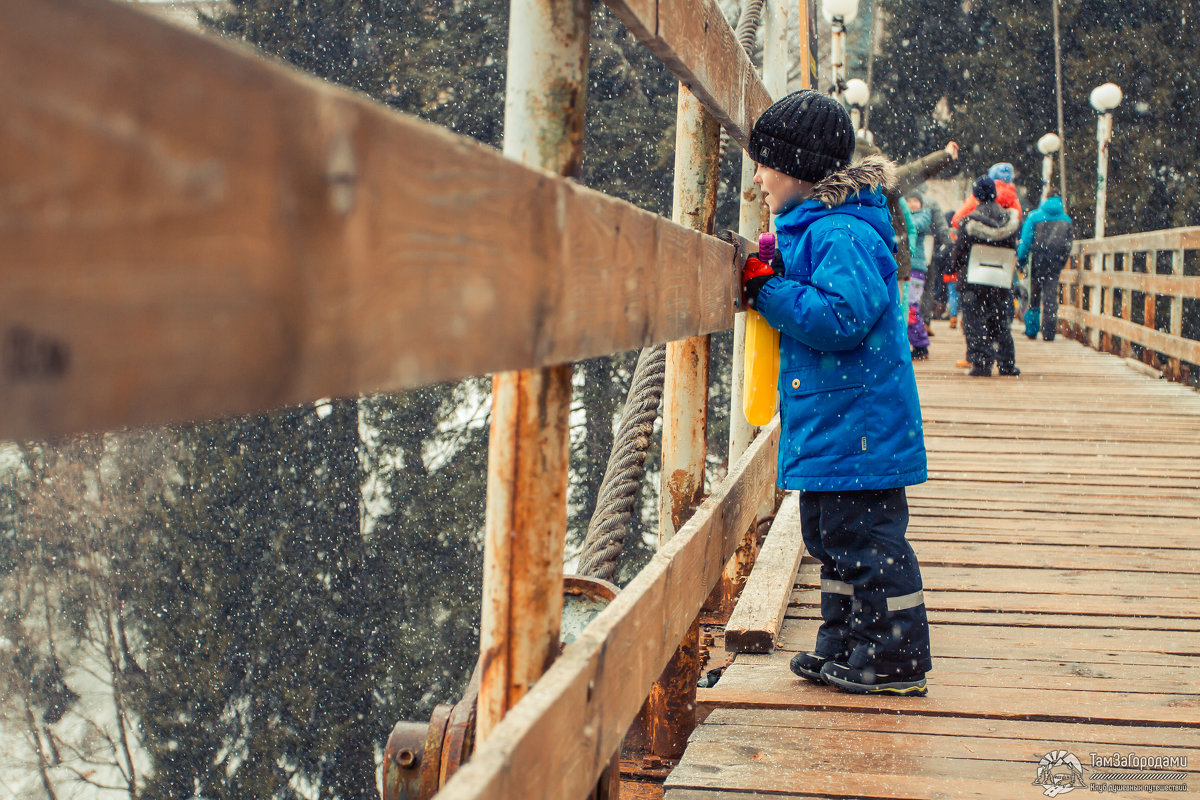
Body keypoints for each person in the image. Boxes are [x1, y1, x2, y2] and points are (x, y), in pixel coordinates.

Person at [741, 89, 931, 696]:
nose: (759, 176)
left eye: (765, 162)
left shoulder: (843, 232)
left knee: (867, 542)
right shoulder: (819, 229)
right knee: (831, 540)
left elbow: (841, 317)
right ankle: (847, 644)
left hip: (860, 428)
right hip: (838, 424)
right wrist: (779, 267)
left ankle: (892, 658)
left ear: (797, 167)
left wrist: (768, 293)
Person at [951, 176, 1022, 377]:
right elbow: (1012, 249)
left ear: (976, 195)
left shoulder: (969, 222)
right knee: (999, 321)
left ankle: (981, 363)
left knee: (975, 322)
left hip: (973, 280)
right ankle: (1007, 364)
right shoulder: (1009, 221)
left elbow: (959, 252)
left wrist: (953, 267)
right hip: (998, 280)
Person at [1017, 189, 1074, 341]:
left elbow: (1026, 240)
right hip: (1054, 263)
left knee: (1033, 295)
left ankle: (1032, 329)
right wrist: (1061, 260)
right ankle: (1049, 332)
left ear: (1046, 198)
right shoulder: (1066, 220)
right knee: (1051, 297)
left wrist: (1021, 258)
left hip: (1036, 261)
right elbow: (1068, 244)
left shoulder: (1035, 216)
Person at [951, 162, 1022, 229]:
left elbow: (956, 220)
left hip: (977, 239)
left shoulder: (980, 196)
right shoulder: (1015, 204)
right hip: (1003, 240)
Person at [905, 193, 933, 359]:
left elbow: (913, 226)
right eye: (909, 201)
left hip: (915, 267)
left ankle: (920, 344)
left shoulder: (923, 216)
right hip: (906, 267)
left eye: (915, 201)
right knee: (908, 305)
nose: (912, 204)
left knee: (911, 306)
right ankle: (916, 343)